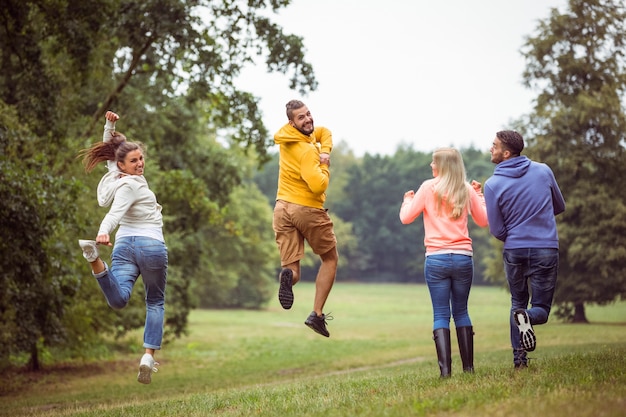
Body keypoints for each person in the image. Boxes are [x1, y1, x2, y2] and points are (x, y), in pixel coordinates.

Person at [78, 111, 168, 384]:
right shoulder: (129, 186)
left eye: (140, 158)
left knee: (118, 300)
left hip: (125, 247)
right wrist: (103, 231)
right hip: (150, 245)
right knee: (155, 301)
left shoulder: (116, 176)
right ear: (122, 165)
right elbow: (116, 212)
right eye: (133, 161)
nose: (139, 164)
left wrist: (110, 126)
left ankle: (96, 263)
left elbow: (110, 154)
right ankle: (147, 357)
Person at [399, 147, 488, 378]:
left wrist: (407, 200)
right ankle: (468, 370)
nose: (431, 165)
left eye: (434, 162)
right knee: (461, 311)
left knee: (440, 314)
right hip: (462, 257)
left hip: (436, 259)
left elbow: (406, 217)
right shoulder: (466, 188)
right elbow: (483, 220)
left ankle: (445, 373)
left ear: (443, 166)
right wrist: (479, 195)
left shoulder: (428, 187)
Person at [484, 130, 565, 369]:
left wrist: (517, 235)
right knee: (540, 308)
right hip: (545, 249)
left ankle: (520, 360)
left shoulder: (493, 185)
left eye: (495, 145)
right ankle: (529, 318)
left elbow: (497, 230)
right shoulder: (544, 171)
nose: (491, 148)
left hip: (515, 250)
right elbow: (559, 205)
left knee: (517, 302)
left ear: (506, 153)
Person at [272, 99, 338, 337]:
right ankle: (317, 315)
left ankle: (287, 278)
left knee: (293, 269)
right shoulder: (307, 150)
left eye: (308, 114)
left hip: (282, 209)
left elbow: (324, 132)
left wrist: (325, 148)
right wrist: (325, 163)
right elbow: (318, 186)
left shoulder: (288, 138)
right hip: (306, 209)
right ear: (292, 122)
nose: (308, 119)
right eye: (302, 118)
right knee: (330, 259)